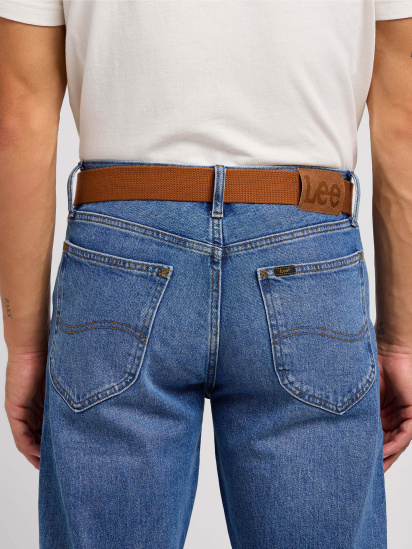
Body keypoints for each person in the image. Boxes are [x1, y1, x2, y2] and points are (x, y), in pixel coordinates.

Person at [1, 1, 412, 548]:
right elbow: (403, 123)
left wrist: (26, 347)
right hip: (305, 250)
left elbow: (17, 120)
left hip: (121, 252)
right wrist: (400, 343)